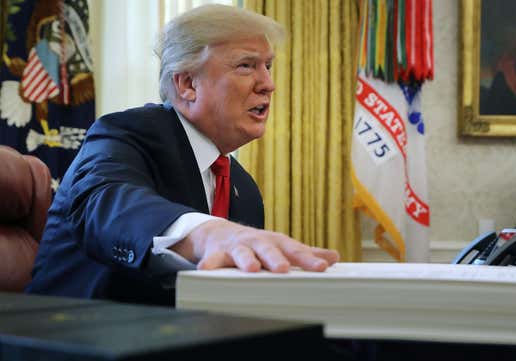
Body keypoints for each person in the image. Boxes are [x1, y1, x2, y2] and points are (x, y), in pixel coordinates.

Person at [26, 5, 339, 306]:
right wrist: (207, 235)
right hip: (72, 342)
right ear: (188, 84)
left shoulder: (245, 191)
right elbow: (106, 201)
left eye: (268, 66)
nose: (268, 84)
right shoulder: (125, 134)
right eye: (246, 65)